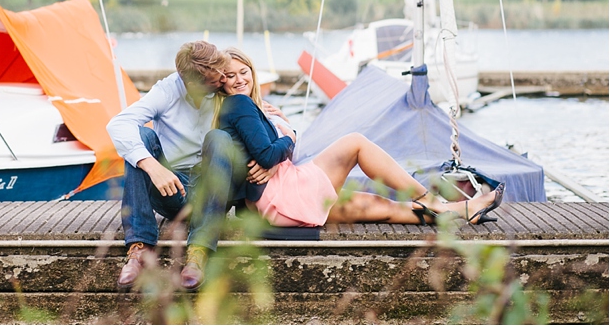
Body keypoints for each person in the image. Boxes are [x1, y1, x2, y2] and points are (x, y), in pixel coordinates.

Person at [214, 47, 505, 228]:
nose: (240, 79)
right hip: (282, 194)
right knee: (355, 143)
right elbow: (268, 155)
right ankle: (434, 200)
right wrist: (287, 133)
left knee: (378, 208)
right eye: (230, 75)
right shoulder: (239, 105)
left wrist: (281, 130)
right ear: (220, 81)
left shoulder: (251, 107)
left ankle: (462, 211)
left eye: (244, 72)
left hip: (283, 200)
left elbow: (271, 156)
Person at [106, 41, 253, 292]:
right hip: (172, 191)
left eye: (222, 73)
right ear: (193, 84)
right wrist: (151, 165)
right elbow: (117, 125)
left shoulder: (227, 87)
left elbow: (268, 125)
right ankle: (139, 248)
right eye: (214, 77)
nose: (223, 79)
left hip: (212, 191)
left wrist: (288, 134)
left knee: (218, 138)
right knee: (141, 136)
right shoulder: (167, 91)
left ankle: (198, 252)